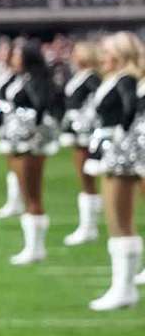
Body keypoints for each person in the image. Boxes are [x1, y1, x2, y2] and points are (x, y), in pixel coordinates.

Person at [84, 32, 142, 311]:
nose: (101, 57)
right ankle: (122, 287)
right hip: (114, 153)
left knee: (119, 221)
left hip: (119, 156)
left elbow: (130, 112)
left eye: (106, 52)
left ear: (119, 55)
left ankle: (124, 289)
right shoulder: (118, 78)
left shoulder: (126, 79)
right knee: (116, 221)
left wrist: (118, 137)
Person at [0, 40, 59, 265]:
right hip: (17, 140)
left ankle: (36, 248)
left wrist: (27, 127)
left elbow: (41, 107)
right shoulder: (21, 78)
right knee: (25, 192)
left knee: (32, 194)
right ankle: (31, 246)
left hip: (31, 143)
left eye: (18, 55)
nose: (13, 58)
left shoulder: (37, 80)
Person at [59, 41, 102, 246]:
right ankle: (88, 225)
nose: (72, 56)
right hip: (77, 132)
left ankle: (89, 226)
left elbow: (96, 102)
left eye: (76, 52)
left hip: (85, 134)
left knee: (87, 179)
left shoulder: (92, 77)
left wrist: (85, 122)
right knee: (83, 179)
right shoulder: (80, 75)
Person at [0, 40, 25, 220]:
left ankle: (17, 201)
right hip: (6, 122)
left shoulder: (17, 76)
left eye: (6, 52)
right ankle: (14, 200)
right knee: (11, 163)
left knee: (16, 163)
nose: (2, 55)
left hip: (15, 124)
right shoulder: (4, 72)